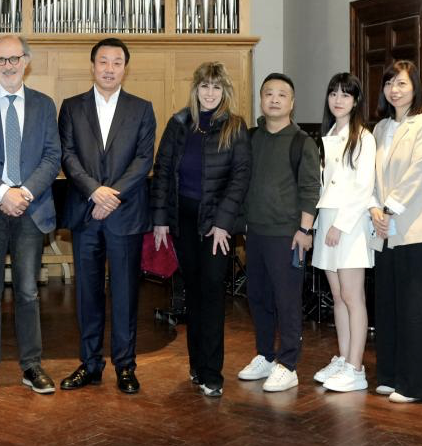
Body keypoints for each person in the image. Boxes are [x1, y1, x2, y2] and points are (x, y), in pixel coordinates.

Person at [0, 35, 62, 397]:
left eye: (14, 58)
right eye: (1, 60)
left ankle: (32, 366)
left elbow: (52, 157)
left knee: (28, 293)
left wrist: (24, 193)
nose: (8, 66)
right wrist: (4, 192)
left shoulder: (44, 105)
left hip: (31, 210)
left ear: (26, 61)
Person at [57, 37, 156, 394]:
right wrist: (93, 191)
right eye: (103, 61)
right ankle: (90, 364)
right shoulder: (71, 107)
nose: (109, 68)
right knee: (87, 293)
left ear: (125, 68)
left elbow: (144, 159)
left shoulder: (142, 109)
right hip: (86, 213)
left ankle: (125, 366)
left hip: (124, 214)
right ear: (93, 66)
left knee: (125, 294)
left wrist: (111, 195)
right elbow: (67, 155)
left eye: (117, 62)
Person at [151, 62, 251, 398]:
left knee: (211, 294)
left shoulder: (235, 127)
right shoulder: (179, 123)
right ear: (195, 90)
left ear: (225, 91)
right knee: (191, 293)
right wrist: (161, 219)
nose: (210, 93)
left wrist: (223, 223)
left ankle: (212, 372)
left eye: (216, 87)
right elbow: (163, 171)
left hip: (216, 226)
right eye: (204, 86)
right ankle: (196, 365)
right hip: (182, 221)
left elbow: (240, 178)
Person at [236, 72, 320, 393]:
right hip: (255, 233)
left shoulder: (302, 142)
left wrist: (304, 229)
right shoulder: (250, 138)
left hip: (288, 235)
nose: (274, 99)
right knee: (258, 298)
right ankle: (265, 355)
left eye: (282, 95)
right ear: (261, 99)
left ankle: (288, 364)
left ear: (292, 102)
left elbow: (311, 188)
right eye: (268, 93)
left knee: (287, 301)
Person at [369, 59, 422, 404]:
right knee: (387, 305)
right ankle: (389, 375)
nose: (394, 90)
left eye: (401, 84)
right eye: (389, 83)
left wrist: (389, 208)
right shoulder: (380, 129)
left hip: (414, 229)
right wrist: (374, 208)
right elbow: (370, 176)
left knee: (415, 309)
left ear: (415, 88)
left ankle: (413, 385)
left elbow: (420, 171)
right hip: (383, 230)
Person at [310, 73, 378, 393]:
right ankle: (343, 357)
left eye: (345, 95)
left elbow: (364, 187)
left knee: (353, 296)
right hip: (327, 222)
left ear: (356, 101)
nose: (338, 100)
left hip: (349, 226)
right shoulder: (329, 134)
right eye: (333, 93)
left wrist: (340, 224)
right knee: (337, 297)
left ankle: (356, 367)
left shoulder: (363, 137)